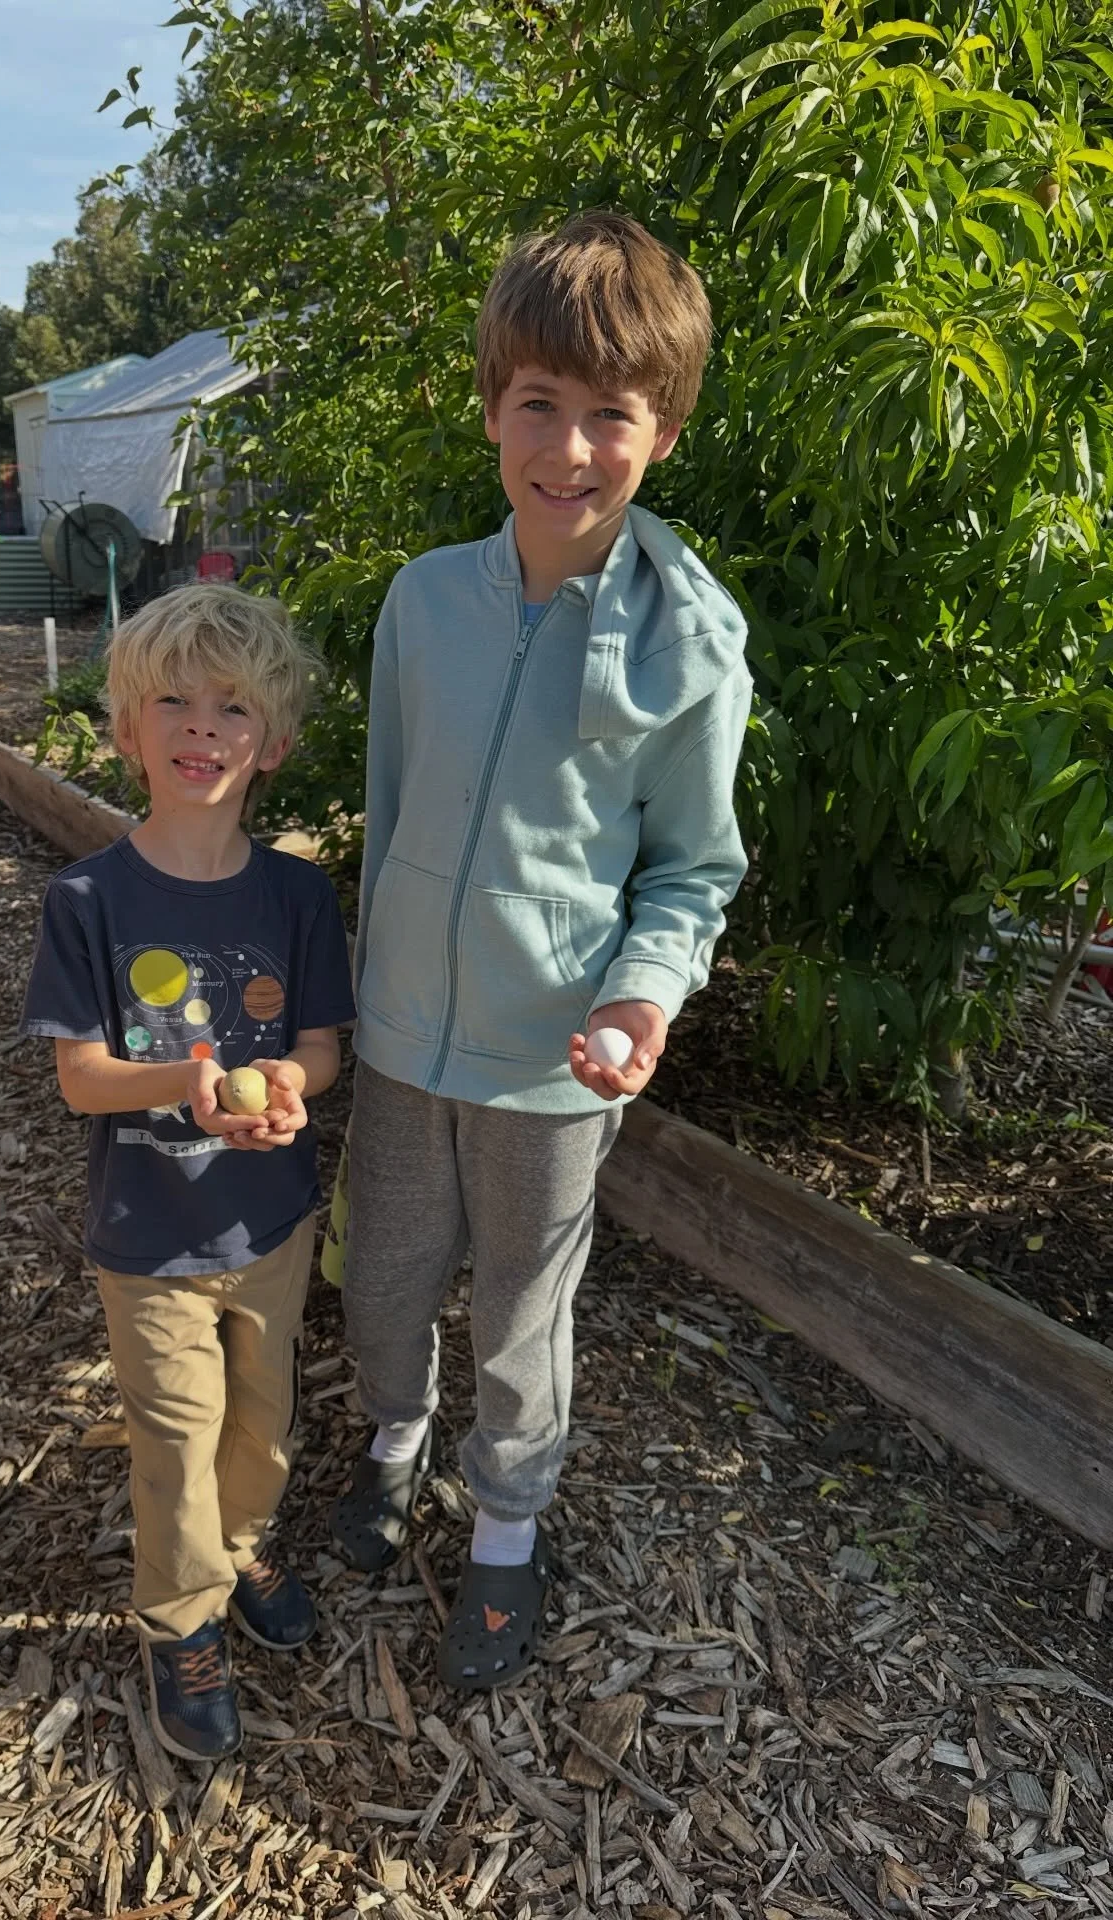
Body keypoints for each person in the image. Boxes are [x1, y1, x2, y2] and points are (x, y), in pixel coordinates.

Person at [330, 212, 753, 1689]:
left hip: (555, 1060)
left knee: (522, 1312)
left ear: (665, 430)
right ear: (493, 405)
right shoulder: (422, 601)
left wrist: (640, 999)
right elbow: (385, 818)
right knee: (379, 1274)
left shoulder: (688, 644)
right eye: (539, 406)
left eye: (610, 416)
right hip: (400, 1037)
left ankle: (505, 1534)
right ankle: (390, 1446)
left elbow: (693, 868)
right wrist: (357, 992)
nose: (569, 448)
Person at [22, 584, 354, 1759]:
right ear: (125, 728)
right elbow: (81, 1078)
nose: (202, 726)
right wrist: (189, 1082)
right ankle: (182, 1619)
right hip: (150, 1232)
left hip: (270, 1216)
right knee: (174, 1432)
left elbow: (316, 1051)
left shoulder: (298, 894)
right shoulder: (91, 900)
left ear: (274, 743)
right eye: (174, 701)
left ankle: (240, 1540)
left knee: (261, 1422)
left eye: (232, 707)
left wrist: (286, 1100)